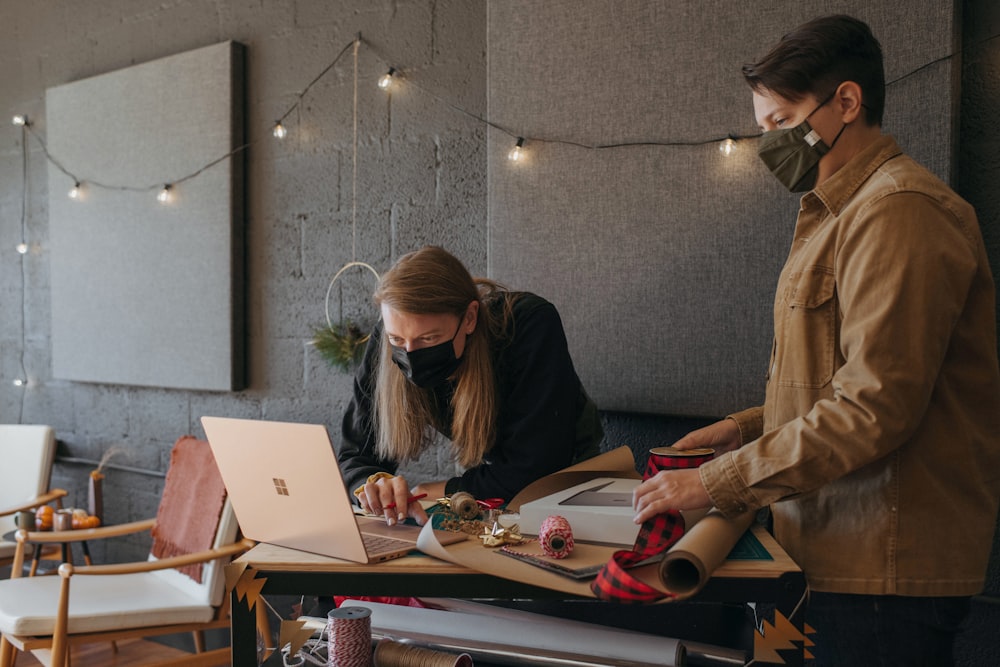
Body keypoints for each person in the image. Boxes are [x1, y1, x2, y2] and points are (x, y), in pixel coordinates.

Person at [632, 14, 1000, 665]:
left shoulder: (900, 212)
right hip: (818, 556)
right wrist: (747, 426)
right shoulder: (840, 213)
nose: (766, 143)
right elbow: (841, 380)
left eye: (779, 122)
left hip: (878, 576)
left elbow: (874, 407)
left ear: (848, 102)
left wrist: (718, 482)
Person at [338, 245, 603, 526]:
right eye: (399, 341)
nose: (411, 354)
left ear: (469, 318)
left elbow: (535, 468)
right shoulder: (389, 336)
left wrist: (440, 490)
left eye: (429, 338)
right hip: (496, 495)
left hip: (567, 485)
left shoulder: (528, 326)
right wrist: (374, 485)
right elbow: (354, 454)